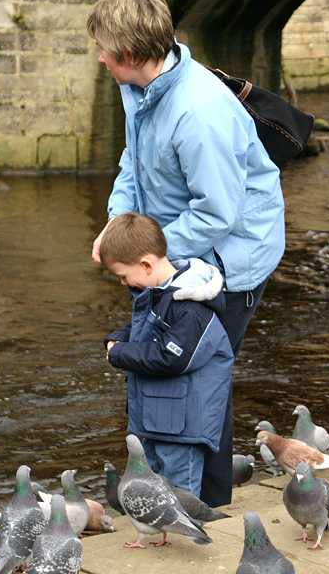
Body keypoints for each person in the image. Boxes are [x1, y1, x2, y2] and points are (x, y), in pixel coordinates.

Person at [87, 0, 285, 507]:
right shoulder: (141, 86)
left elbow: (219, 213)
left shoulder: (199, 113)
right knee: (188, 382)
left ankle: (204, 502)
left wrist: (147, 254)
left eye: (105, 50)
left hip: (228, 261)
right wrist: (117, 228)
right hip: (168, 253)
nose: (100, 58)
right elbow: (132, 161)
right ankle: (195, 494)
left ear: (130, 54)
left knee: (200, 384)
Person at [100, 212, 234, 497]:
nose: (123, 283)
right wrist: (119, 338)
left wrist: (120, 353)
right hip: (160, 417)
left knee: (179, 491)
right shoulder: (160, 293)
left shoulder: (191, 305)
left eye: (123, 276)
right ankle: (165, 539)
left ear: (146, 264)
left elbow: (172, 357)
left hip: (181, 427)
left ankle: (185, 537)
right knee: (155, 486)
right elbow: (146, 330)